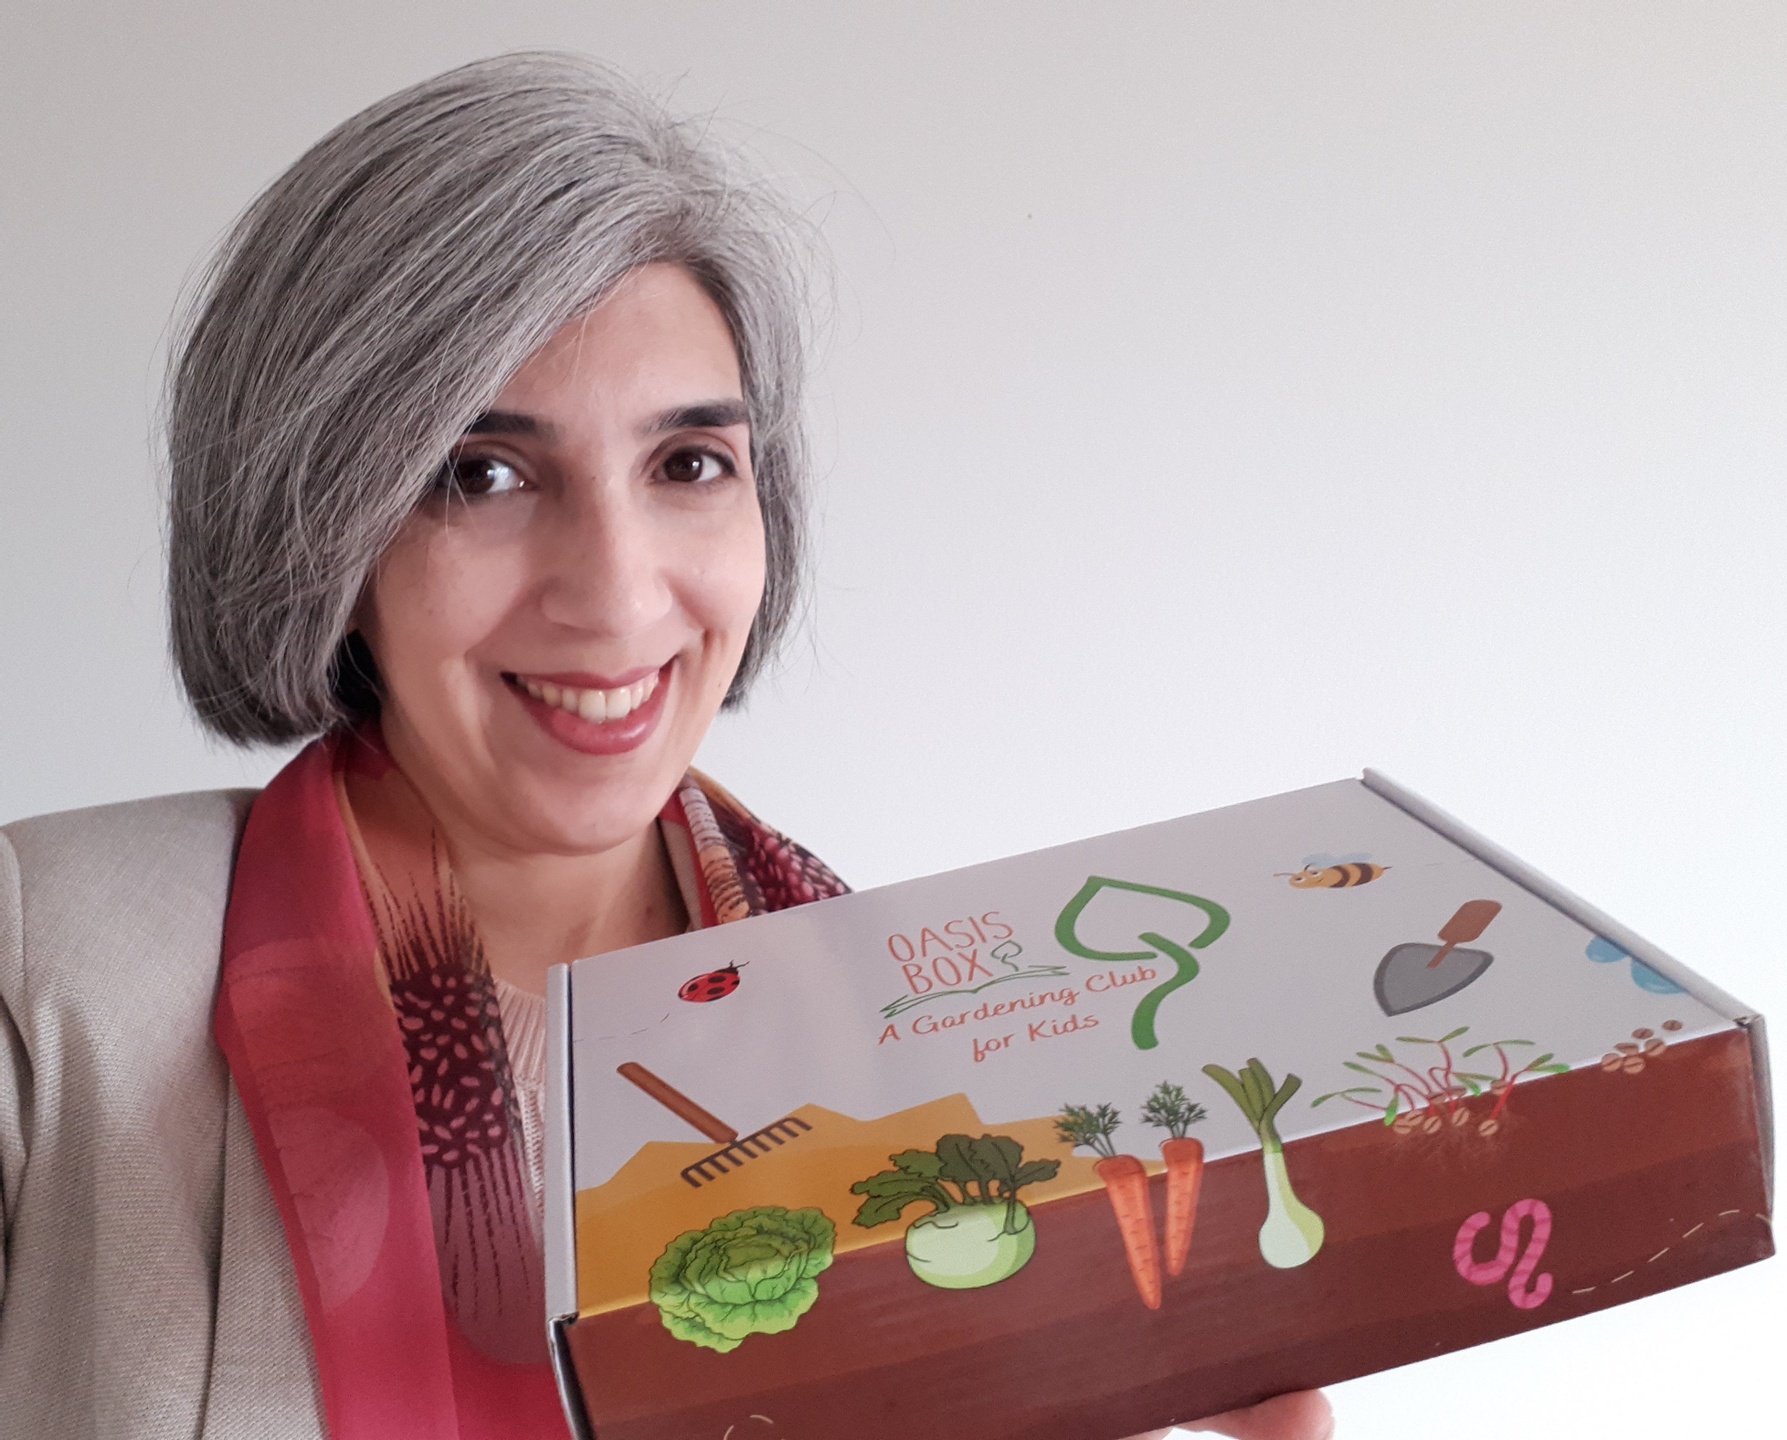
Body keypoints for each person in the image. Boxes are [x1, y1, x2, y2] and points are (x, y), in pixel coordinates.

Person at [0, 53, 1332, 1440]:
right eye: (483, 475)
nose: (618, 595)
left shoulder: (931, 1054)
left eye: (688, 463)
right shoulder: (57, 963)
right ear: (326, 527)